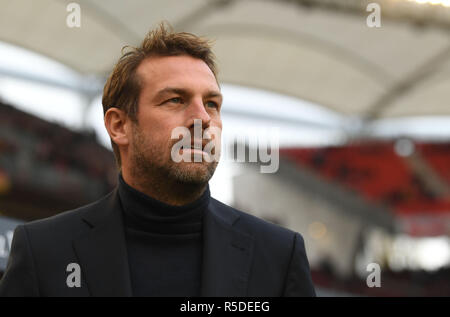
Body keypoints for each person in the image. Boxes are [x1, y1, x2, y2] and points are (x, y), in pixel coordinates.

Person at [0, 23, 316, 297]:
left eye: (212, 104)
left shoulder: (277, 255)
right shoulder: (43, 250)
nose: (202, 118)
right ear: (119, 125)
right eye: (175, 100)